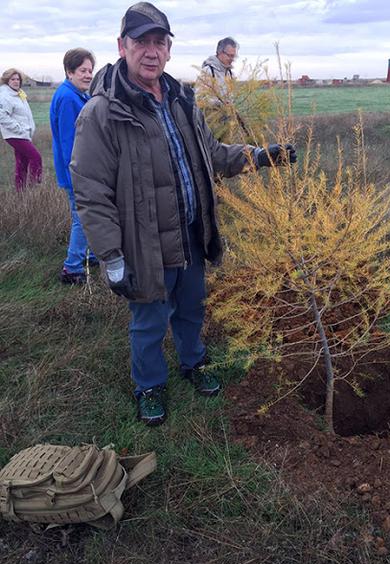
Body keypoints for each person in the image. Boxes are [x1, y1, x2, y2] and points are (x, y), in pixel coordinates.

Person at [70, 2, 296, 427]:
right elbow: (91, 192)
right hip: (143, 242)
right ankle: (150, 385)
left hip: (192, 231)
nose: (151, 51)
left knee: (192, 307)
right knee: (150, 319)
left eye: (160, 42)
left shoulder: (181, 99)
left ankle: (194, 362)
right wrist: (113, 258)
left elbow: (212, 155)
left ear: (169, 50)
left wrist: (260, 157)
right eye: (141, 42)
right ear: (122, 46)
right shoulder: (101, 112)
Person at [50, 48, 97, 285]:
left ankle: (93, 254)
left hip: (79, 170)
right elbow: (71, 142)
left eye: (90, 70)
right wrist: (79, 173)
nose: (88, 75)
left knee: (89, 214)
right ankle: (72, 268)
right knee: (82, 217)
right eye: (82, 71)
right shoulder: (68, 98)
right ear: (70, 72)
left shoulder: (76, 94)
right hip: (76, 172)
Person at [0, 68, 42, 192]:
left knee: (22, 163)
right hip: (15, 135)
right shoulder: (5, 96)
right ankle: (33, 188)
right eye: (12, 79)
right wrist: (18, 129)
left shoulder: (19, 94)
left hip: (23, 134)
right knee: (36, 157)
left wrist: (29, 129)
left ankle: (21, 194)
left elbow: (26, 114)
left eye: (18, 79)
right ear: (7, 81)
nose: (16, 81)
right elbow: (2, 116)